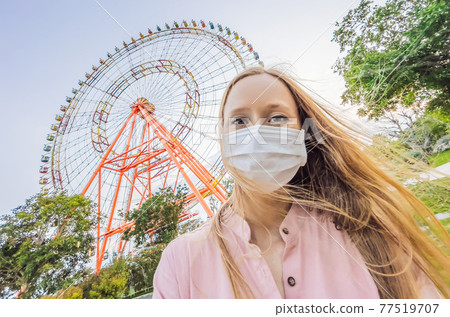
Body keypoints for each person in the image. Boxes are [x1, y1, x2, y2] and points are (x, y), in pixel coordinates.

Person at [152, 66, 449, 299]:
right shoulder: (181, 263)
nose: (256, 133)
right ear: (223, 141)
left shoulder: (366, 226)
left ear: (304, 136)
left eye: (277, 117)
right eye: (239, 121)